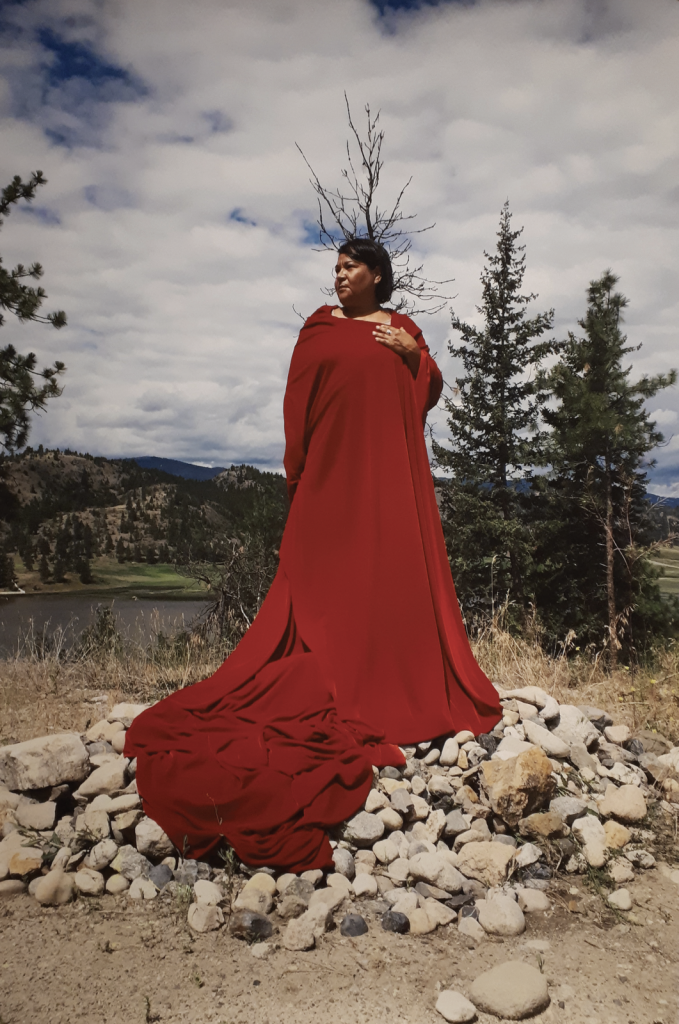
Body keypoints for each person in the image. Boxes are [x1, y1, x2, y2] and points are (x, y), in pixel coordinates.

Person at [125, 238, 501, 872]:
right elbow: (296, 404)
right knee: (325, 586)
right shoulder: (319, 328)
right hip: (329, 479)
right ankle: (330, 668)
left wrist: (420, 358)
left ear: (377, 275)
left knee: (382, 583)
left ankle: (385, 675)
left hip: (387, 483)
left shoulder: (404, 329)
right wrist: (297, 476)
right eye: (335, 268)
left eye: (350, 266)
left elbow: (426, 393)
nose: (339, 275)